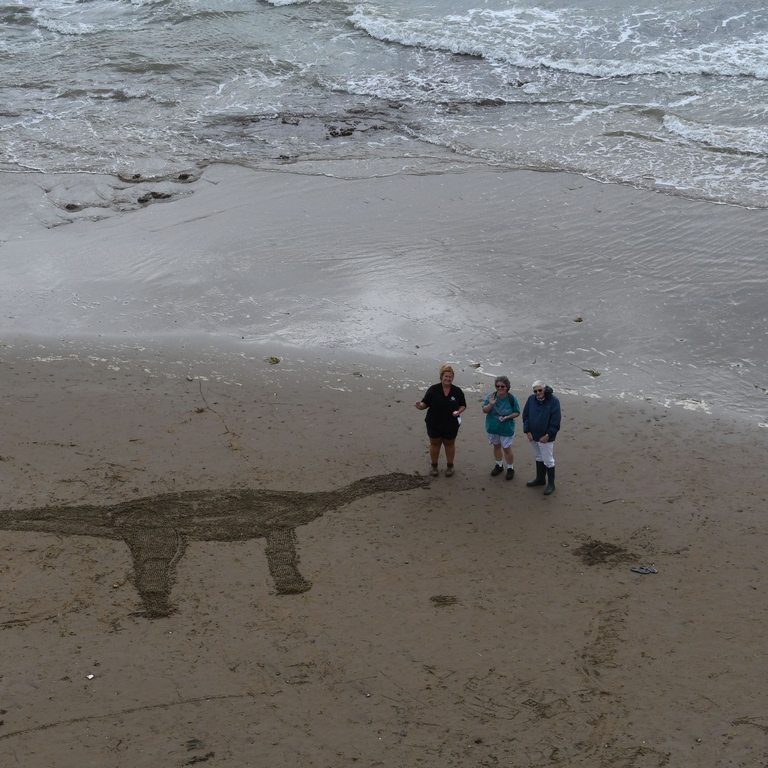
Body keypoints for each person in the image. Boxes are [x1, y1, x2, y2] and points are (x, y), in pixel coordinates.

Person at [414, 364, 467, 477]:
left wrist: (458, 411)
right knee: (435, 444)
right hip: (434, 423)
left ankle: (450, 466)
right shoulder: (433, 389)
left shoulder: (457, 391)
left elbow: (463, 405)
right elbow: (425, 403)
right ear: (441, 377)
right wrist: (420, 405)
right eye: (446, 376)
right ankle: (434, 466)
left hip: (451, 424)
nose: (448, 379)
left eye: (450, 377)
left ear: (453, 378)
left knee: (450, 444)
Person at [522, 379, 561, 495]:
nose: (538, 393)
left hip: (546, 437)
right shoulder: (531, 399)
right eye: (535, 391)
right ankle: (540, 479)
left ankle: (551, 484)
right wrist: (527, 431)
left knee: (548, 460)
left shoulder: (553, 401)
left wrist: (548, 435)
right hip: (533, 436)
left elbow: (556, 421)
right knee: (538, 457)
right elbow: (526, 415)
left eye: (540, 390)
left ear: (544, 389)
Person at [481, 376, 520, 480]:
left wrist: (508, 417)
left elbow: (517, 412)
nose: (500, 388)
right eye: (497, 386)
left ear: (507, 387)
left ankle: (510, 468)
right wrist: (490, 404)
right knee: (496, 446)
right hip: (493, 427)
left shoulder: (512, 398)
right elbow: (484, 410)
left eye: (502, 386)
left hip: (506, 428)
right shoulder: (491, 396)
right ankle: (499, 465)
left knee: (507, 448)